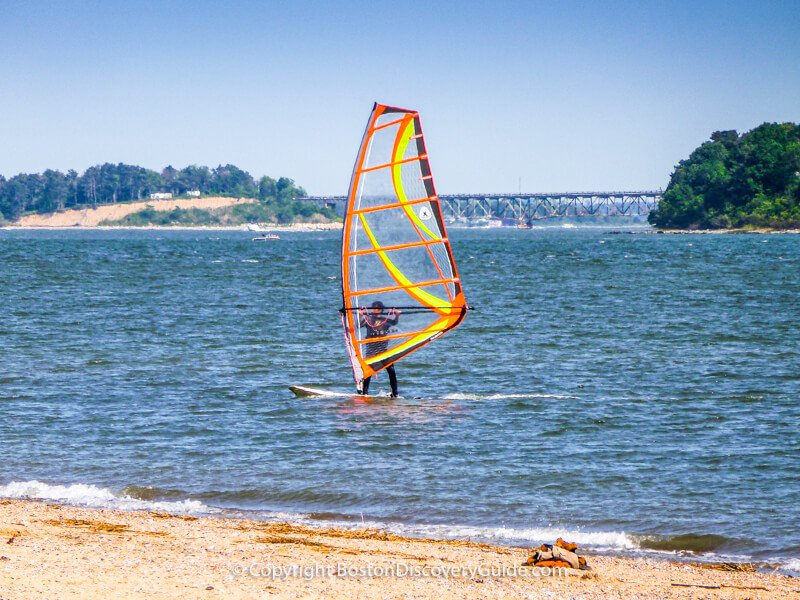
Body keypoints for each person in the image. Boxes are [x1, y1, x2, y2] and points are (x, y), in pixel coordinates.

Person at [358, 300, 400, 397]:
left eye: (376, 308)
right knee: (368, 372)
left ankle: (395, 393)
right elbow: (358, 325)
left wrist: (397, 315)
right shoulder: (368, 320)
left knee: (391, 371)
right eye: (373, 308)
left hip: (383, 350)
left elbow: (394, 322)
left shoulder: (385, 320)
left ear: (381, 310)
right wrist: (360, 316)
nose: (373, 310)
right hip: (371, 350)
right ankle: (365, 393)